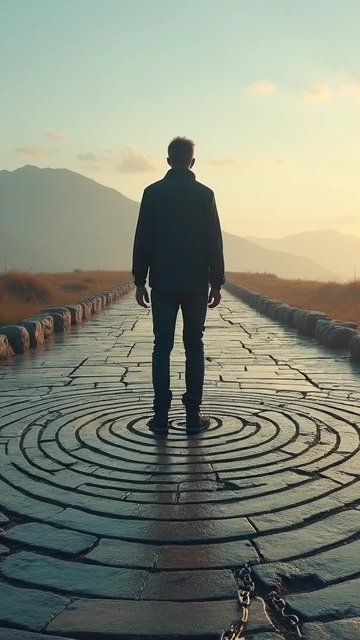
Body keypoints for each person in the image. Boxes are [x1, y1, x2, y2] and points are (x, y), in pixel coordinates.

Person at [132, 136, 226, 436]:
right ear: (192, 162)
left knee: (162, 347)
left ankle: (160, 417)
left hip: (163, 284)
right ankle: (193, 415)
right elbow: (214, 241)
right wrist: (216, 282)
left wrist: (139, 280)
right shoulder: (205, 194)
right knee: (194, 346)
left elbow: (143, 239)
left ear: (168, 160)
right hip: (196, 284)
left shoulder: (152, 193)